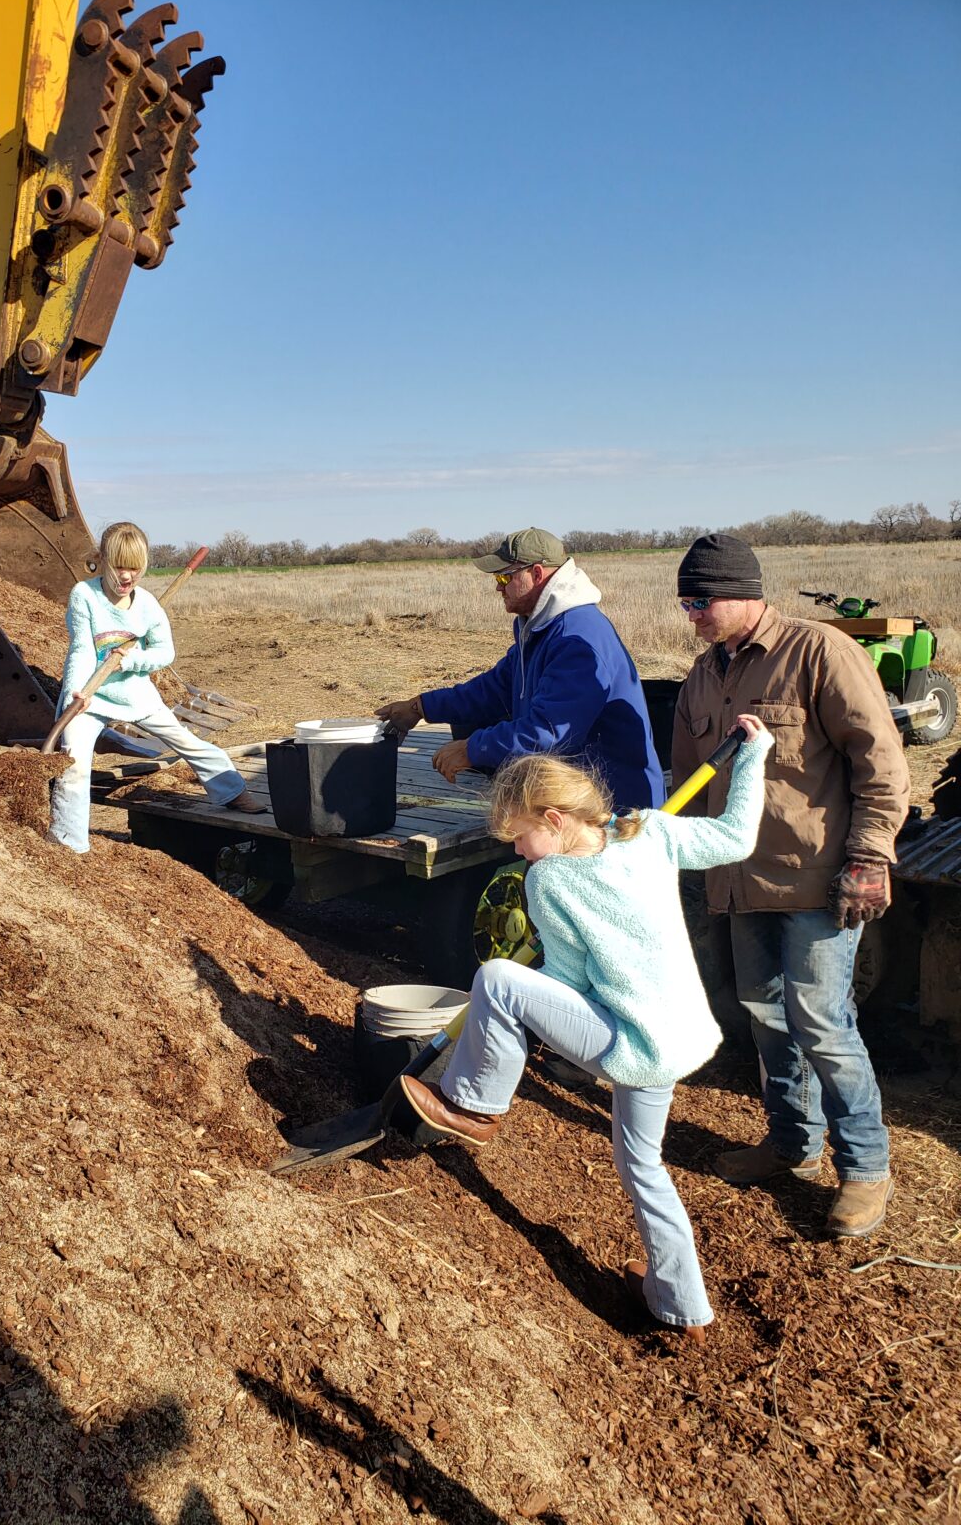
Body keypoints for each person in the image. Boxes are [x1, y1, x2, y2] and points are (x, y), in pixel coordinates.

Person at [401, 716, 775, 1346]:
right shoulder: (652, 832)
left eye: (517, 838)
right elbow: (737, 837)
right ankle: (682, 1303)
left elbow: (569, 985)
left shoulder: (549, 880)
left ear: (552, 818)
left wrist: (518, 1002)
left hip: (630, 1043)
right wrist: (755, 755)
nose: (515, 852)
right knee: (642, 1165)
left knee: (496, 978)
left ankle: (477, 1106)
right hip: (679, 1039)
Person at [670, 533, 910, 1238]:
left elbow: (881, 763)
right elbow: (689, 782)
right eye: (686, 602)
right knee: (766, 1017)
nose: (693, 614)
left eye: (701, 600)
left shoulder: (819, 652)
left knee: (823, 1023)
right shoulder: (702, 677)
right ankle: (790, 1145)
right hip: (739, 882)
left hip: (815, 880)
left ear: (743, 593)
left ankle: (865, 1168)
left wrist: (870, 855)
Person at [375, 528, 664, 811]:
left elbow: (549, 733)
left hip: (613, 808)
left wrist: (472, 749)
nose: (498, 587)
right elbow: (494, 689)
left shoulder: (577, 638)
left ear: (537, 574)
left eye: (504, 576)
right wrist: (422, 707)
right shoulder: (540, 626)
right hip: (572, 800)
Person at [48, 522, 263, 853]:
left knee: (185, 741)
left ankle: (233, 792)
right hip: (89, 696)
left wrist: (131, 661)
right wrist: (78, 693)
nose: (126, 577)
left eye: (135, 568)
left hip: (135, 694)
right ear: (102, 559)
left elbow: (165, 652)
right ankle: (68, 843)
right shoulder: (85, 595)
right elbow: (81, 650)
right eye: (119, 566)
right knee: (73, 764)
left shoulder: (148, 605)